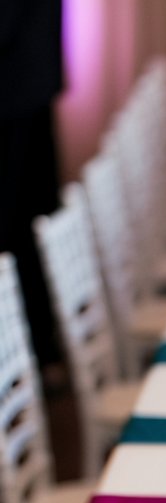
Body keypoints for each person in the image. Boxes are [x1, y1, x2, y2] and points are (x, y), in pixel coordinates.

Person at [0, 0, 63, 365]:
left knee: (16, 229)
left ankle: (27, 352)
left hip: (13, 90)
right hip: (27, 83)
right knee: (28, 222)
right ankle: (37, 347)